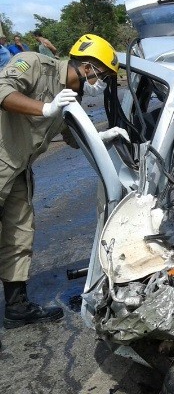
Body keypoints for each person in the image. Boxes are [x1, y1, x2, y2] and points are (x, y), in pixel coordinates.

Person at [0, 34, 122, 329]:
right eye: (104, 75)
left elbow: (72, 136)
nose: (102, 82)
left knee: (19, 234)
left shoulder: (72, 97)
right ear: (90, 67)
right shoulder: (33, 63)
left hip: (19, 170)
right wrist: (44, 108)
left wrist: (102, 137)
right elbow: (1, 90)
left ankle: (16, 308)